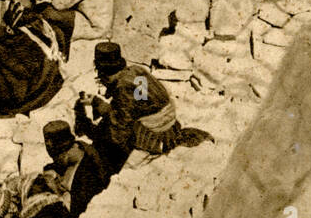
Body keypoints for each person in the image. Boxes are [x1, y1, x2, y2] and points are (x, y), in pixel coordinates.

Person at [74, 41, 212, 175]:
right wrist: (100, 103)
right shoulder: (136, 71)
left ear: (103, 74)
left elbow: (119, 130)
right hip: (169, 125)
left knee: (113, 149)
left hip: (155, 135)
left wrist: (94, 123)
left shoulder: (123, 87)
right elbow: (139, 105)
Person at [0, 0, 67, 118]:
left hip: (30, 95)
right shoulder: (45, 27)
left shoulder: (17, 37)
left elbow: (16, 64)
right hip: (50, 86)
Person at [38, 120, 110, 218]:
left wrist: (56, 191)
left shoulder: (88, 174)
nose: (54, 160)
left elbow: (76, 213)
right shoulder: (78, 151)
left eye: (56, 157)